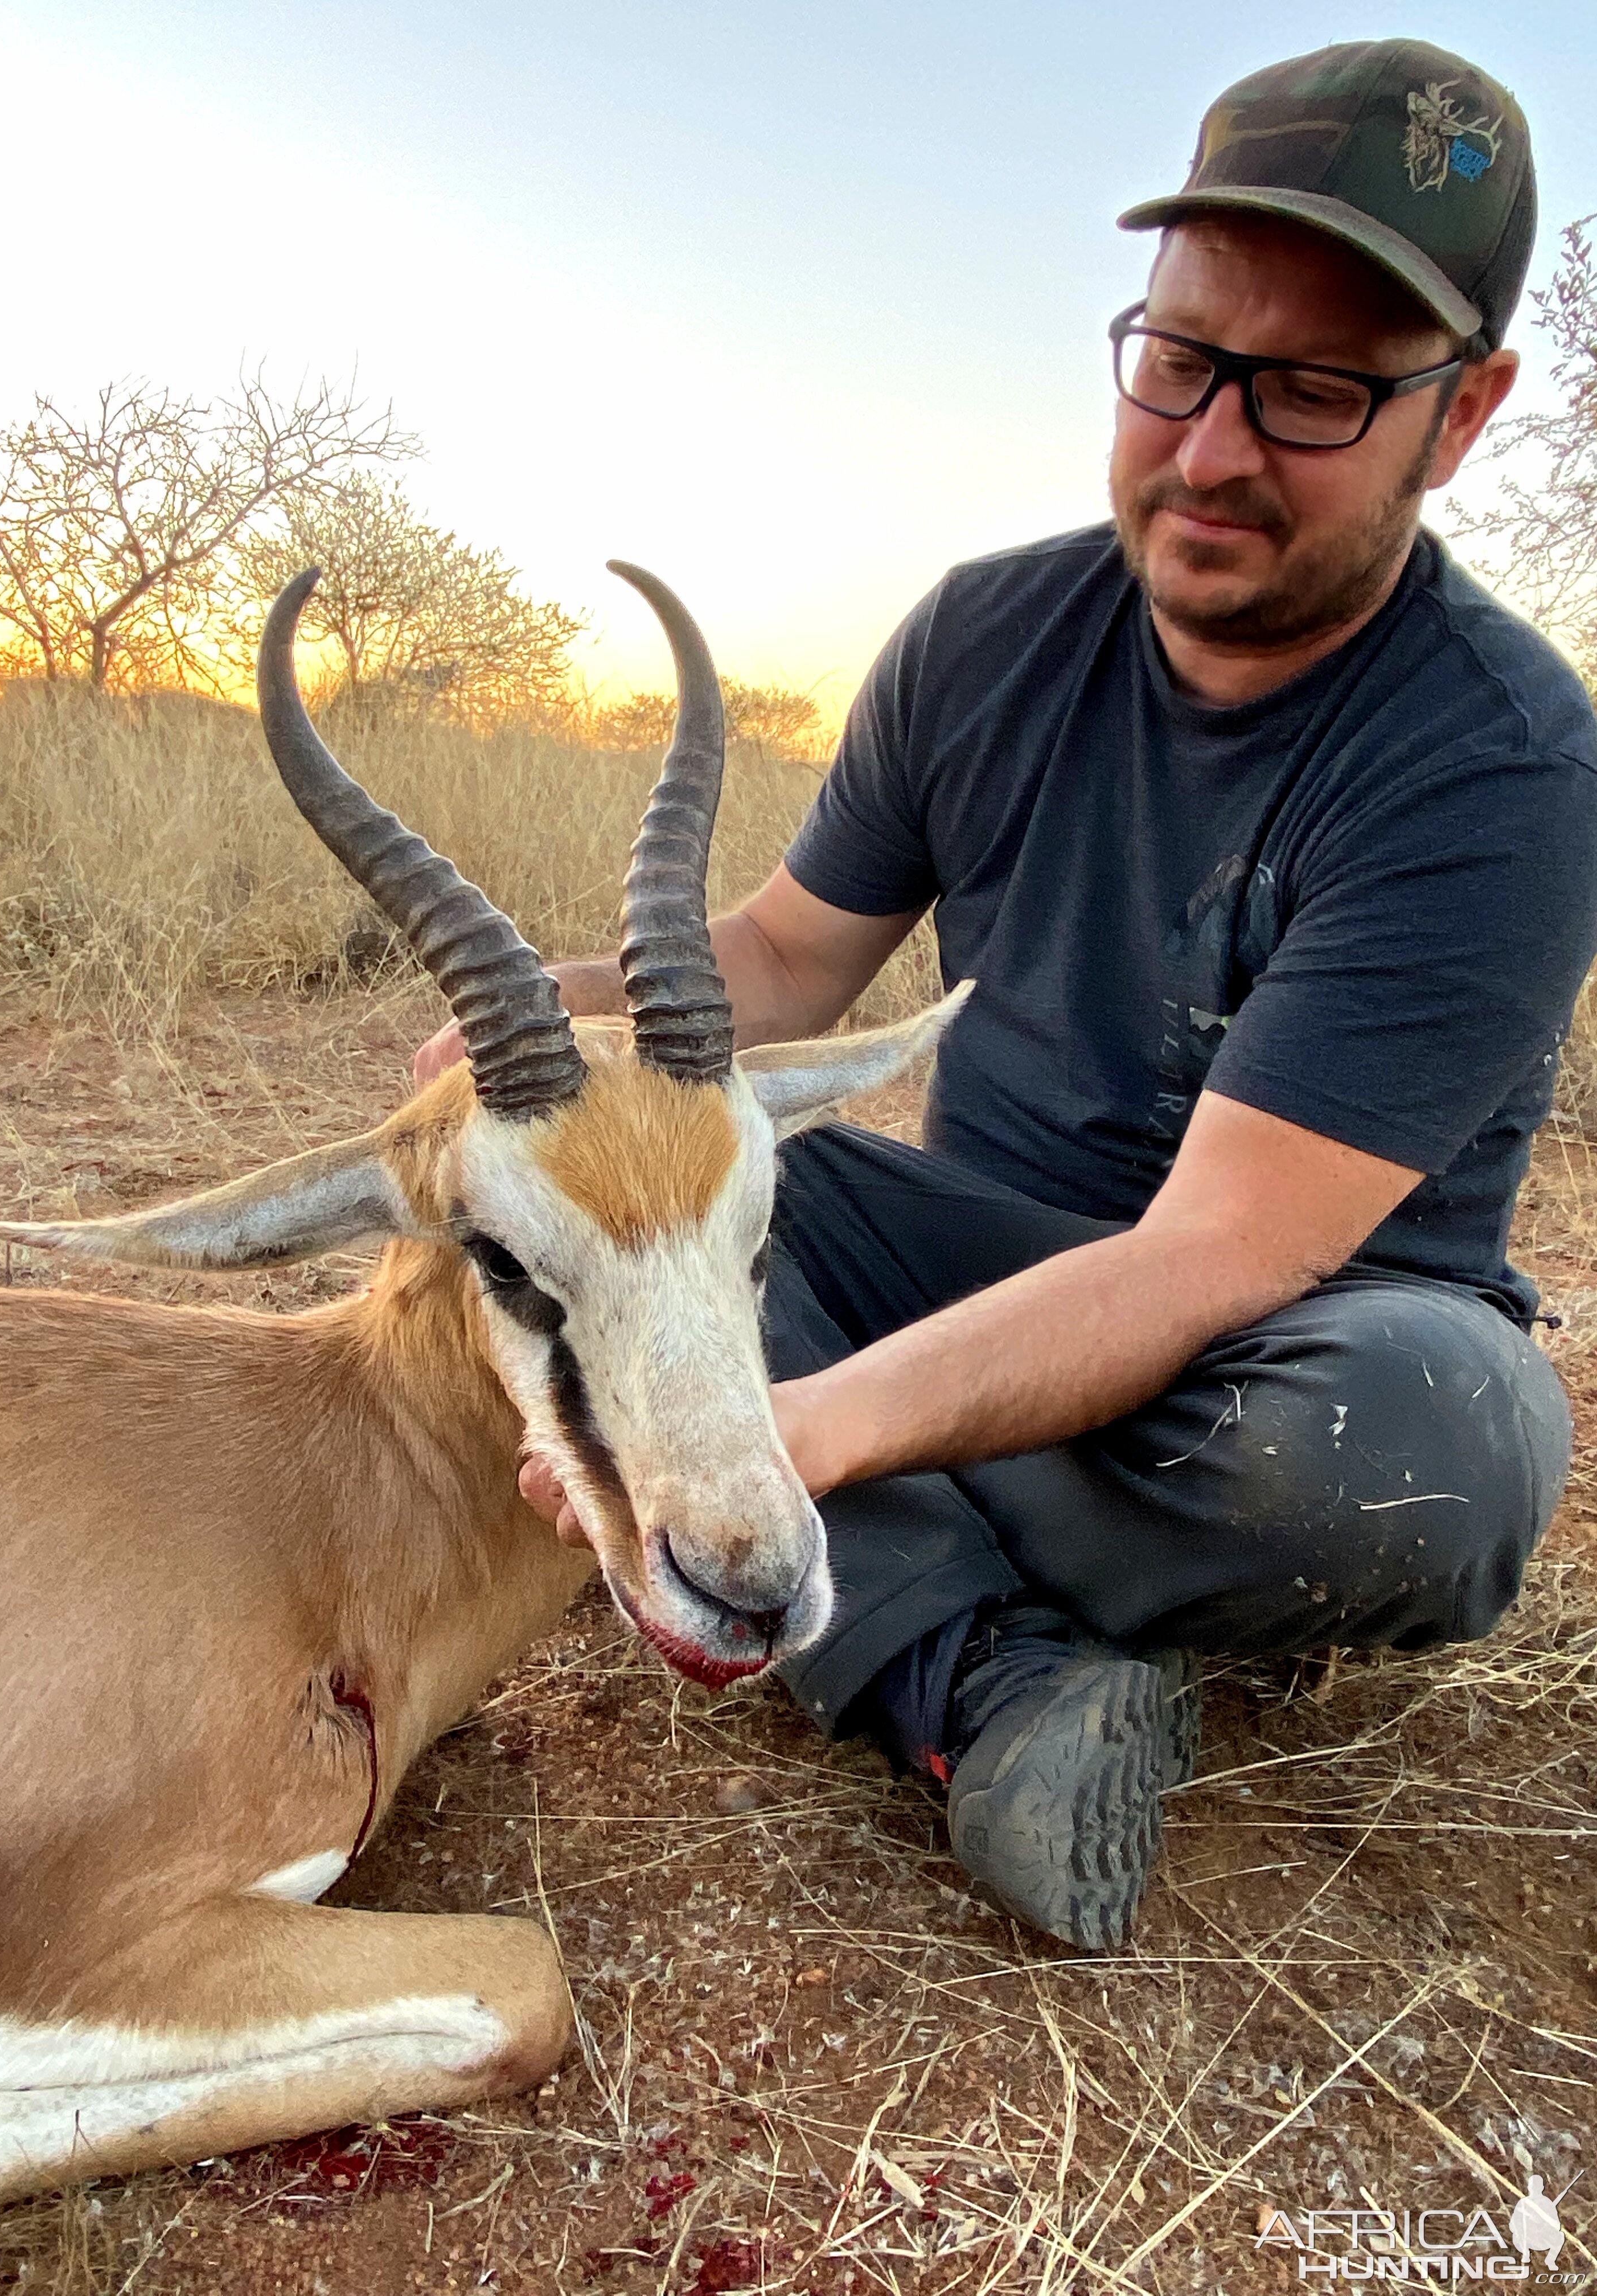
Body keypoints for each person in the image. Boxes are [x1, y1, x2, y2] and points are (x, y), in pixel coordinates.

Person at [416, 39, 1597, 1951]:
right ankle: (980, 1691)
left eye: (1311, 395)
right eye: (1183, 359)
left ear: (1460, 418)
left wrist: (788, 1439)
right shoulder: (980, 634)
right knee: (667, 1230)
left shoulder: (1506, 767)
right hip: (972, 1277)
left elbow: (1209, 1260)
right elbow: (788, 961)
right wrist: (536, 1039)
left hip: (1276, 1345)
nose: (1212, 448)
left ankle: (882, 1590)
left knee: (1432, 1458)